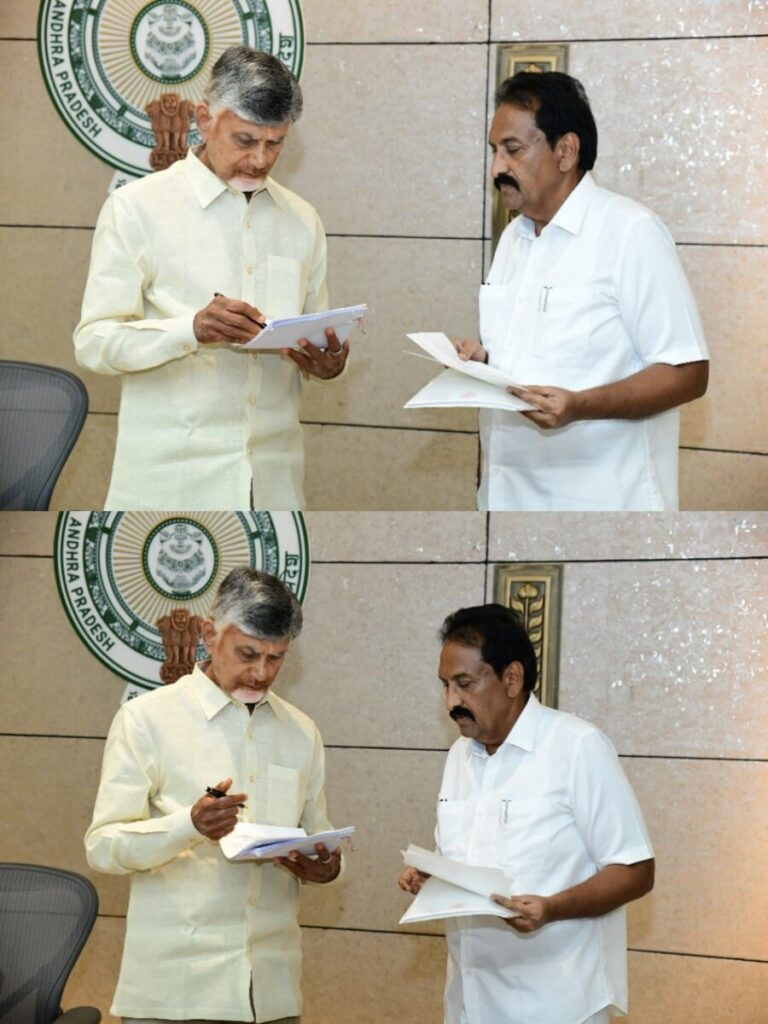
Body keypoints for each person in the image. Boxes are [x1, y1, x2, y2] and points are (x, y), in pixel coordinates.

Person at [74, 47, 348, 510]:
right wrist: (190, 330)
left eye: (275, 143)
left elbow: (313, 336)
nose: (260, 160)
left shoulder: (302, 220)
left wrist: (326, 364)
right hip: (168, 486)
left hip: (274, 484)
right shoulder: (137, 208)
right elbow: (94, 343)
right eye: (245, 140)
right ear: (204, 119)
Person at [85, 568, 341, 1024]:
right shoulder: (146, 720)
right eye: (247, 653)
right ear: (208, 635)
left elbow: (317, 835)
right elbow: (103, 846)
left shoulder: (302, 732)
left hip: (271, 993)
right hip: (174, 993)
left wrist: (324, 865)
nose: (261, 673)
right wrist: (189, 825)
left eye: (276, 658)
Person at [456, 71, 709, 510]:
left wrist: (580, 405)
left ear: (565, 150)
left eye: (512, 150)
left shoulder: (630, 232)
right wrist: (487, 363)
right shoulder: (515, 239)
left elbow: (688, 372)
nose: (497, 168)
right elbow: (548, 353)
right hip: (506, 502)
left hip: (603, 504)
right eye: (494, 152)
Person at [399, 604, 655, 1024]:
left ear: (511, 678)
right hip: (470, 1002)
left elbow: (635, 869)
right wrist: (433, 876)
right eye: (445, 685)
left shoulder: (577, 746)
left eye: (464, 684)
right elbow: (470, 863)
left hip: (556, 1004)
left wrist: (553, 907)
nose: (451, 701)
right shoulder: (459, 756)